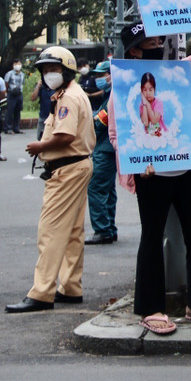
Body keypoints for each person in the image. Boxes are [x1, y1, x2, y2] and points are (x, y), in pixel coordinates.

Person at [110, 3, 191, 335]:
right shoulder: (123, 82)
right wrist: (134, 160)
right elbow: (116, 133)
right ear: (134, 51)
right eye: (150, 42)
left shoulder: (180, 69)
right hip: (151, 174)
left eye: (160, 39)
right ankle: (151, 308)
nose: (158, 44)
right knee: (152, 238)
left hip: (184, 167)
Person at [6, 47, 95, 312]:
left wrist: (40, 146)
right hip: (77, 165)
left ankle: (42, 292)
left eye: (53, 70)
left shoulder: (68, 98)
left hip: (67, 169)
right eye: (45, 71)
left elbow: (65, 136)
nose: (48, 75)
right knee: (72, 232)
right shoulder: (71, 94)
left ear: (66, 71)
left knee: (51, 231)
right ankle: (70, 287)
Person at [85, 61, 118, 245]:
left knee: (96, 187)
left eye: (102, 75)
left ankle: (102, 230)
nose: (99, 79)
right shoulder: (109, 94)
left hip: (104, 148)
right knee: (108, 190)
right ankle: (109, 228)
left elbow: (99, 123)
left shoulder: (112, 96)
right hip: (108, 148)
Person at [139, 72, 167, 137]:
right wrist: (144, 104)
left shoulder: (158, 102)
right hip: (150, 138)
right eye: (145, 90)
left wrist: (148, 105)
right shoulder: (142, 105)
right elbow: (145, 123)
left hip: (162, 136)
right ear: (141, 91)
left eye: (150, 90)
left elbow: (154, 120)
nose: (148, 93)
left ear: (154, 89)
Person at [30, 74, 55, 141]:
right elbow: (33, 98)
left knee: (52, 138)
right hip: (43, 116)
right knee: (40, 137)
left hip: (54, 117)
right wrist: (38, 86)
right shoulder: (42, 87)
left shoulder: (56, 87)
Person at [4, 59, 25, 134]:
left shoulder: (22, 74)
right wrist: (7, 92)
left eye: (19, 63)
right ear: (13, 65)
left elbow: (23, 83)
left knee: (18, 111)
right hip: (11, 93)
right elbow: (6, 83)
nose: (18, 65)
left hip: (19, 93)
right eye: (16, 64)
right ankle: (8, 128)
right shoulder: (9, 74)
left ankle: (16, 128)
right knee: (10, 111)